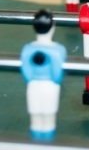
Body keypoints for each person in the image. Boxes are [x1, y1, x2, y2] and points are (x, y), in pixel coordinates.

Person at [21, 9, 67, 141]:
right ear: (53, 27)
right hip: (50, 87)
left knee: (35, 120)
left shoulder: (27, 49)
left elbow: (27, 74)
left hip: (33, 86)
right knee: (49, 120)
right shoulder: (58, 50)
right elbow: (57, 75)